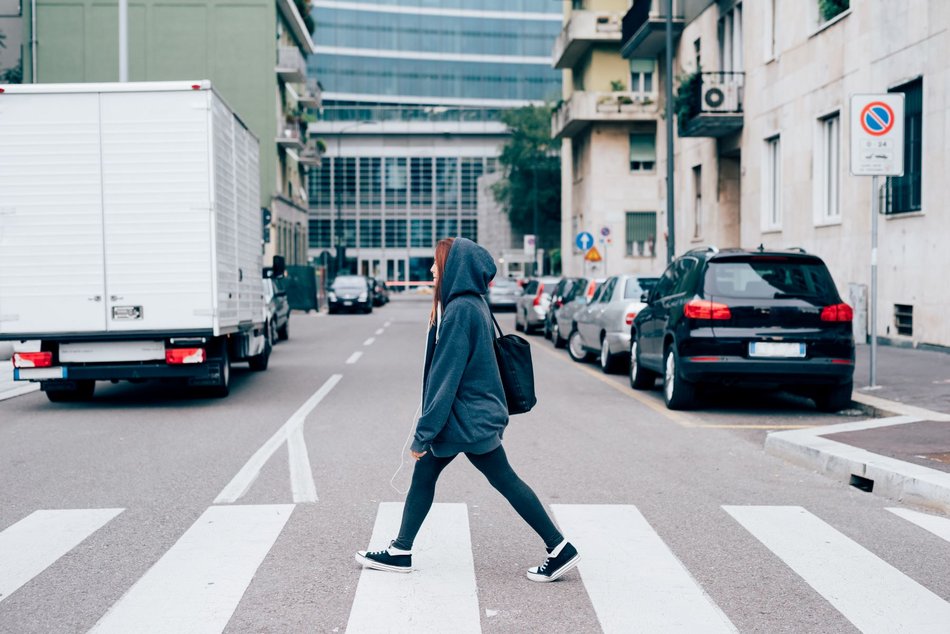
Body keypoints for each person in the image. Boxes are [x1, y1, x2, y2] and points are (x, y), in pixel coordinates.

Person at [355, 237, 579, 583]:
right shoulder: (471, 304)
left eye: (436, 263)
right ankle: (401, 550)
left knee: (499, 479)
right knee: (437, 475)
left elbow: (445, 378)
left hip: (466, 420)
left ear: (452, 268)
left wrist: (423, 433)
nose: (431, 269)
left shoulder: (460, 311)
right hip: (471, 417)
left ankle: (559, 546)